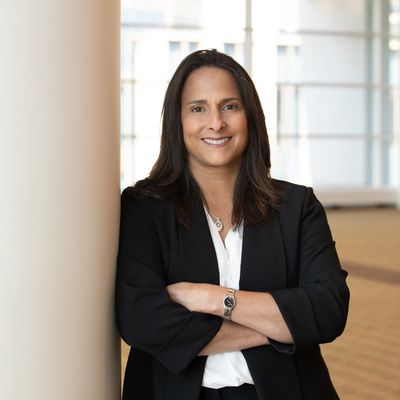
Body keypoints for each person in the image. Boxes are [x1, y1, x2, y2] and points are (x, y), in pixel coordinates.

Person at [116, 49, 350, 400]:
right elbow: (142, 321)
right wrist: (281, 324)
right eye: (198, 108)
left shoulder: (297, 207)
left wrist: (214, 299)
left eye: (229, 106)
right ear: (177, 121)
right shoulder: (145, 208)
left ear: (249, 116)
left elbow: (328, 309)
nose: (216, 123)